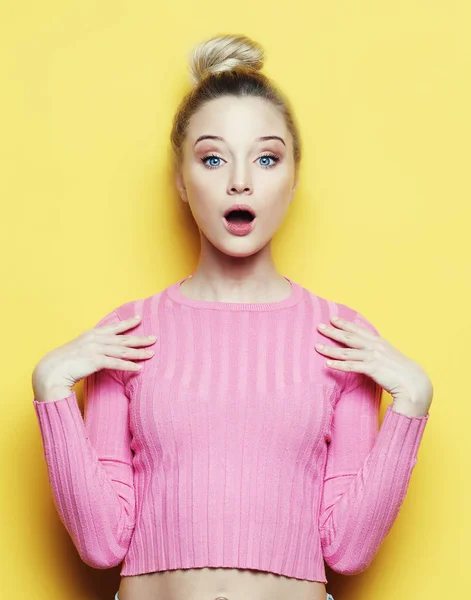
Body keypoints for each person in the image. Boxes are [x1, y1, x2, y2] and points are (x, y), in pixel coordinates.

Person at [31, 34, 433, 600]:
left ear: (294, 178)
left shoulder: (343, 337)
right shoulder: (127, 333)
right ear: (180, 180)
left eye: (266, 158)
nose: (239, 180)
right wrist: (51, 390)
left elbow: (348, 549)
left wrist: (412, 401)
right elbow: (102, 544)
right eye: (213, 158)